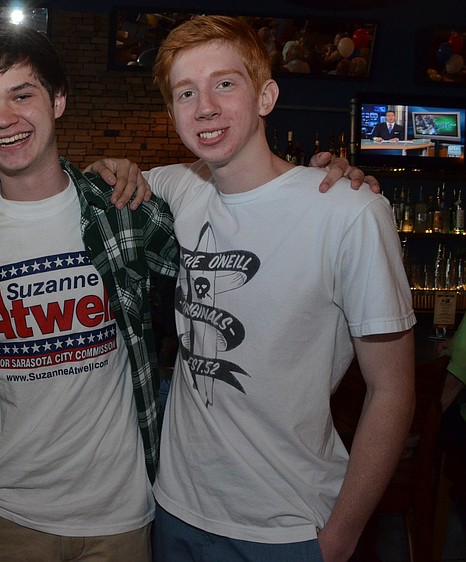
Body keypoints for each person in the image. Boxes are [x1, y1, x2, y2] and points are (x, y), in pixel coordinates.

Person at [138, 16, 415, 561]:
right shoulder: (178, 187)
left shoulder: (350, 210)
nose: (205, 107)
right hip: (175, 508)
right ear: (172, 114)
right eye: (185, 93)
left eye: (225, 83)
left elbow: (393, 390)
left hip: (288, 526)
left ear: (265, 95)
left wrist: (341, 537)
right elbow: (94, 180)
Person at [0, 23, 179, 561]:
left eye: (22, 95)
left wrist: (327, 186)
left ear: (58, 100)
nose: (4, 119)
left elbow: (227, 238)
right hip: (14, 513)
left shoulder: (123, 211)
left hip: (122, 510)